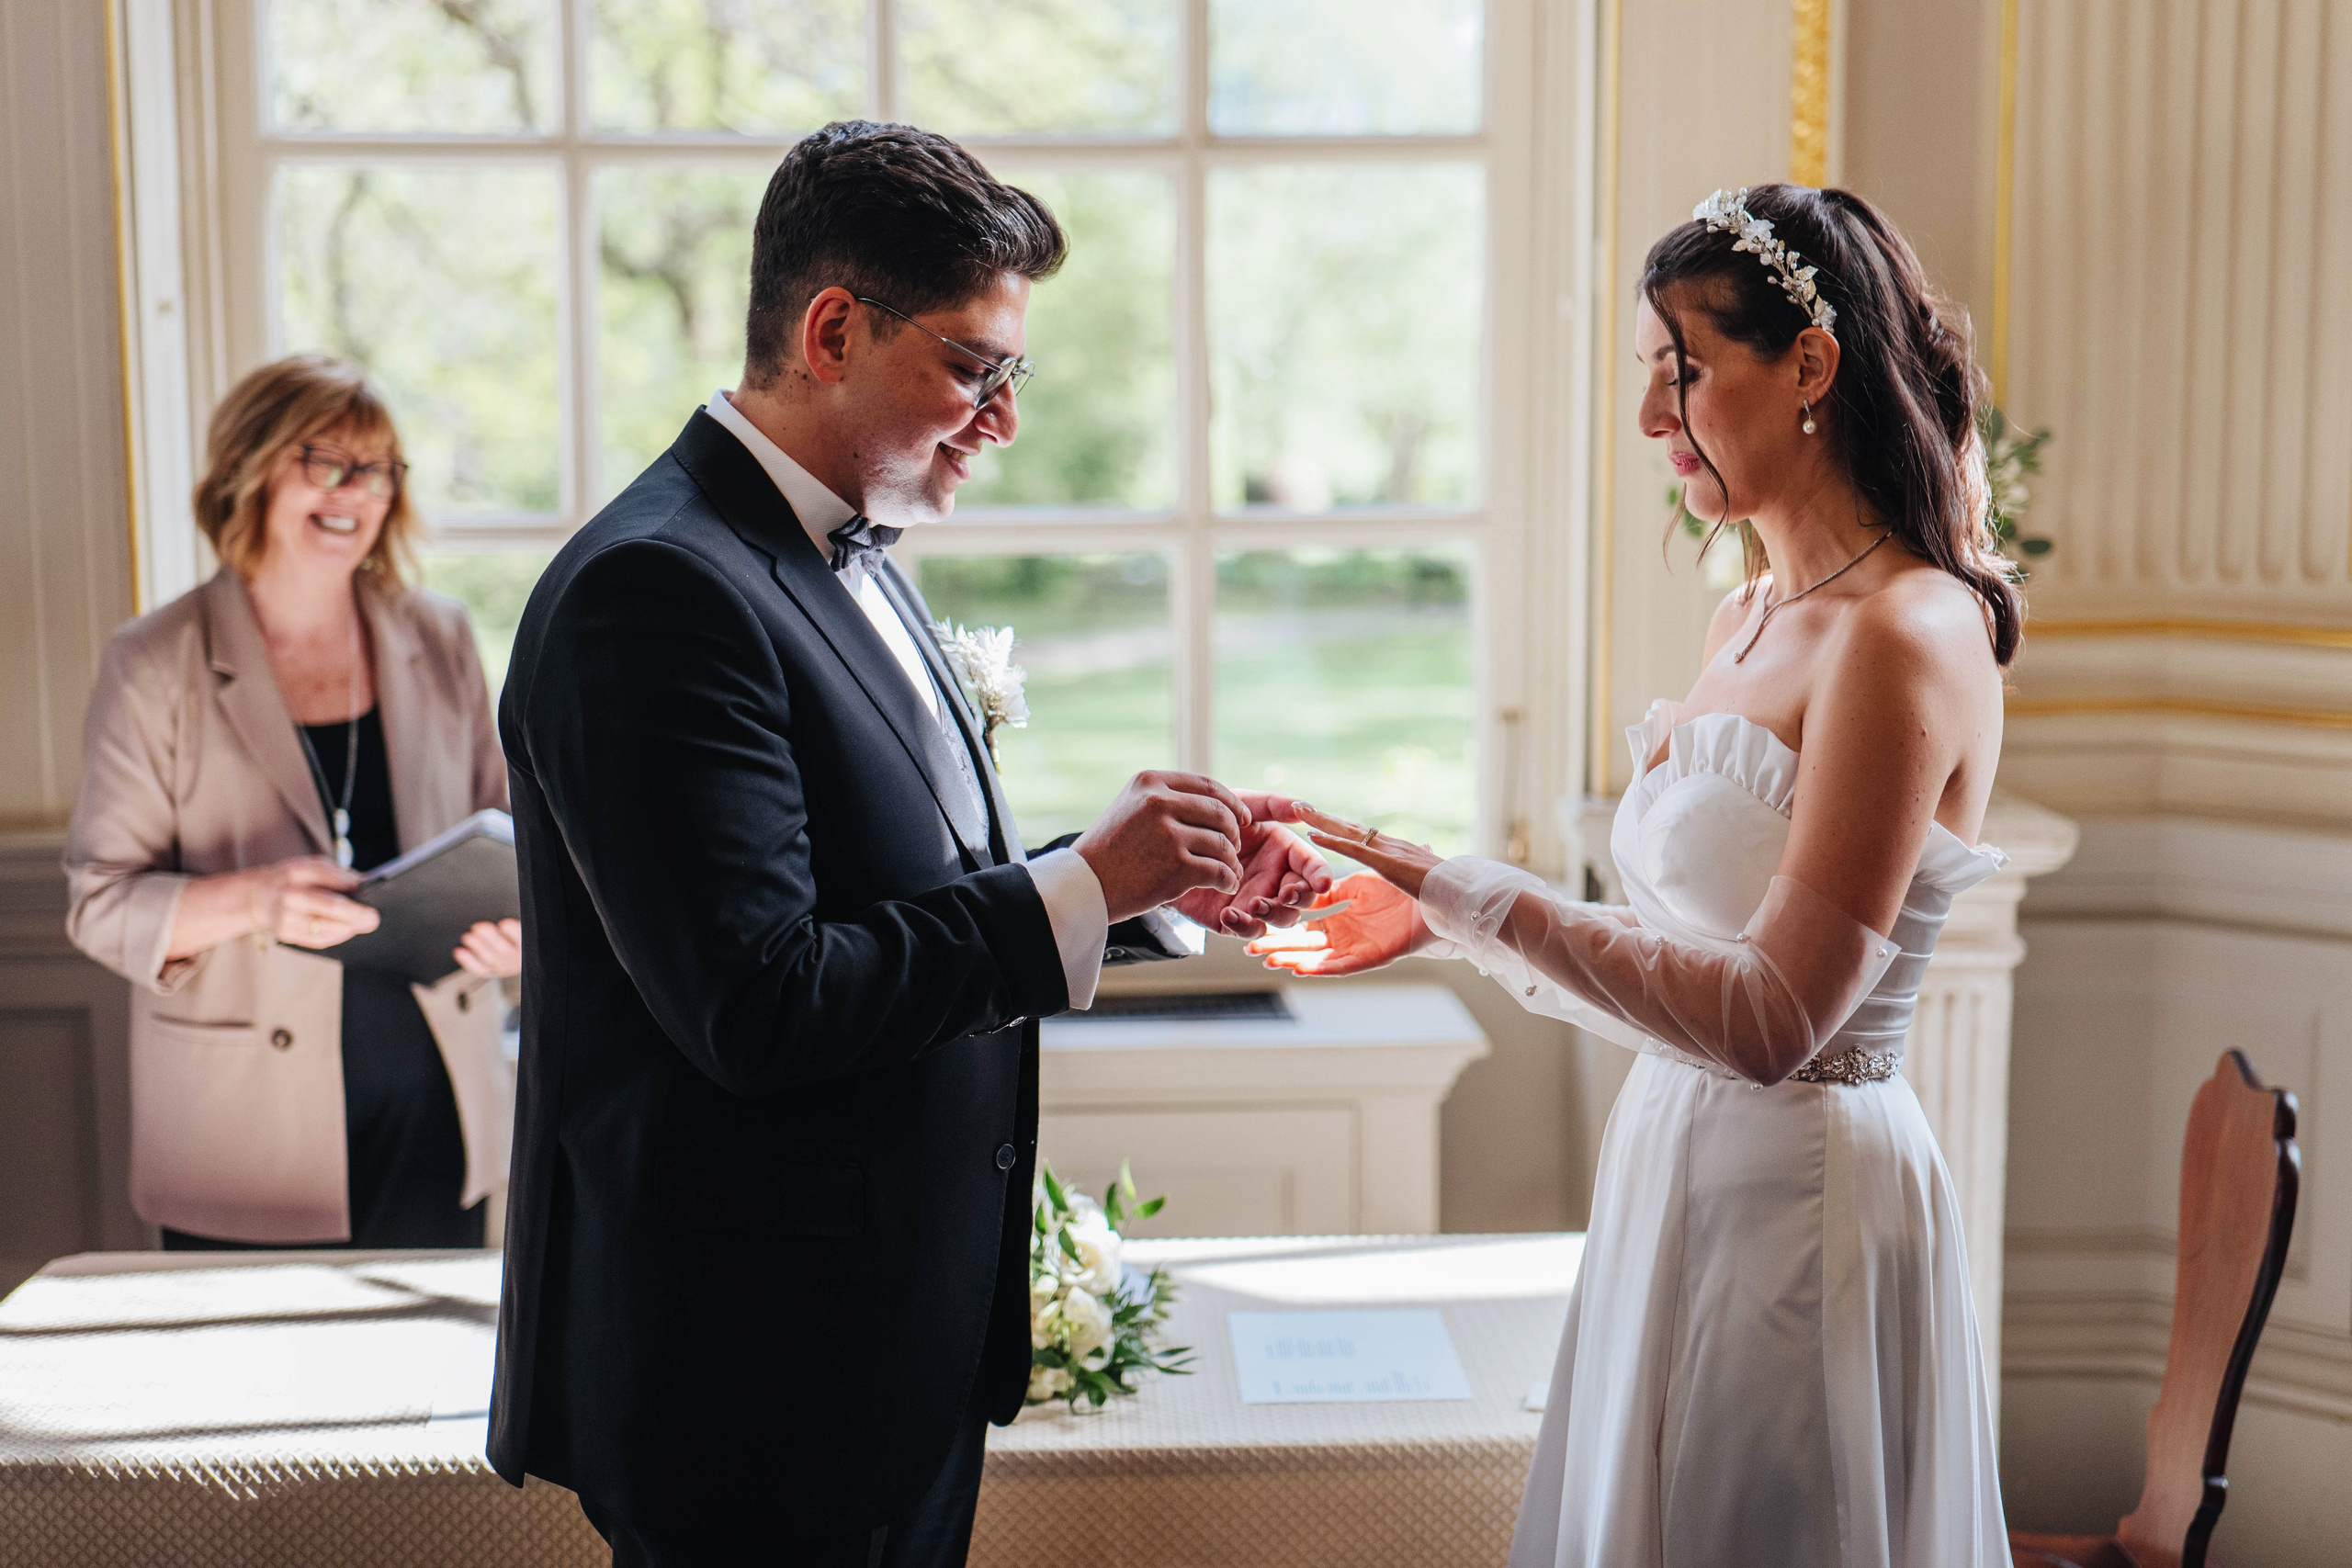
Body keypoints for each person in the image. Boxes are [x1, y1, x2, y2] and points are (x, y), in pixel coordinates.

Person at [487, 121, 1327, 1568]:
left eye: (1014, 375)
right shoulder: (657, 591)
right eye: (971, 368)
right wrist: (1081, 881)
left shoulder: (840, 548)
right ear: (830, 329)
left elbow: (906, 895)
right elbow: (763, 998)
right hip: (750, 1393)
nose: (1000, 419)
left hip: (889, 1364)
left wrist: (1161, 884)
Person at [1259, 184, 2018, 1565]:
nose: (1655, 415)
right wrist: (1440, 918)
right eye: (1649, 375)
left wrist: (1475, 889)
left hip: (1804, 1199)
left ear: (1809, 364)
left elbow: (1776, 1014)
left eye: (1685, 369)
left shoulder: (1908, 631)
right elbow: (1693, 960)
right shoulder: (1747, 614)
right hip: (1677, 1163)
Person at [64, 355, 523, 1250]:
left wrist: (516, 928)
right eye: (326, 461)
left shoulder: (439, 635)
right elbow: (99, 904)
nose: (357, 490)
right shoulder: (155, 661)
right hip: (244, 1139)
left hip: (438, 1111)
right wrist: (255, 900)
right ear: (250, 469)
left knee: (425, 1389)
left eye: (380, 468)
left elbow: (503, 835)